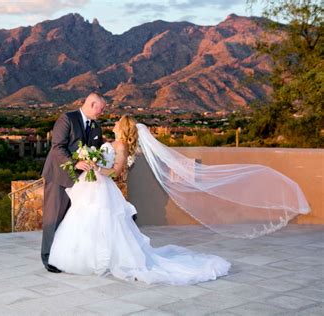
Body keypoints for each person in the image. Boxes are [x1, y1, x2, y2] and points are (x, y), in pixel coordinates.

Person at [48, 115, 310, 285]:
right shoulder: (114, 143)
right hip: (98, 189)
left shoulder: (120, 146)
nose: (114, 123)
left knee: (108, 225)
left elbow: (115, 172)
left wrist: (96, 168)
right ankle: (95, 259)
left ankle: (104, 260)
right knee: (98, 224)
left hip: (103, 186)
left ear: (124, 128)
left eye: (117, 122)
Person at [41, 92, 106, 273]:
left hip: (82, 183)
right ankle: (48, 259)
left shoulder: (96, 127)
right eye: (101, 110)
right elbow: (57, 147)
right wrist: (74, 163)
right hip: (59, 177)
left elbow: (98, 149)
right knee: (53, 219)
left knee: (71, 221)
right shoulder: (67, 119)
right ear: (92, 104)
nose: (102, 113)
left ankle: (65, 257)